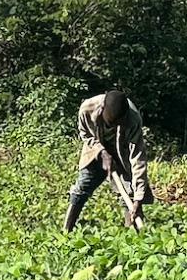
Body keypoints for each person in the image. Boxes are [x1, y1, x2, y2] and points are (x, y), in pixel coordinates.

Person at [64, 87, 151, 231]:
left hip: (122, 154)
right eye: (111, 123)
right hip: (95, 152)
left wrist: (138, 198)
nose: (115, 126)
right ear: (102, 109)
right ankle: (66, 231)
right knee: (82, 187)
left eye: (119, 123)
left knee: (129, 194)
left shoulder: (133, 118)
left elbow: (138, 157)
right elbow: (85, 134)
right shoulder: (87, 109)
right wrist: (102, 152)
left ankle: (133, 237)